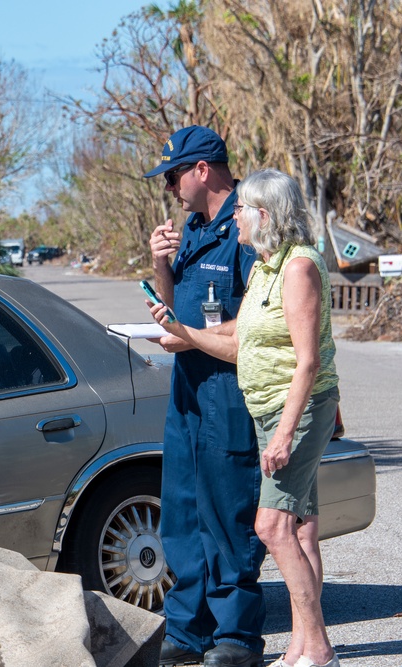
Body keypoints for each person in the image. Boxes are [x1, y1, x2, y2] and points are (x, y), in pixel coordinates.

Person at [147, 168, 341, 667]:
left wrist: (282, 433)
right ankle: (302, 645)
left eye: (242, 209)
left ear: (265, 214)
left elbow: (308, 361)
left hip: (291, 410)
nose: (234, 216)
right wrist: (184, 332)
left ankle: (317, 649)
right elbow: (239, 339)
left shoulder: (298, 268)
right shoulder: (264, 266)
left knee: (271, 527)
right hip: (269, 408)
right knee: (299, 530)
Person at [143, 126, 266, 667]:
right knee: (183, 511)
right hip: (187, 388)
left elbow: (258, 321)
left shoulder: (249, 222)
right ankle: (187, 631)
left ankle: (236, 637)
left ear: (201, 170)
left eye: (173, 175)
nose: (169, 186)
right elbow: (170, 312)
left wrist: (191, 337)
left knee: (227, 511)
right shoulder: (191, 230)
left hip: (227, 389)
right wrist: (160, 265)